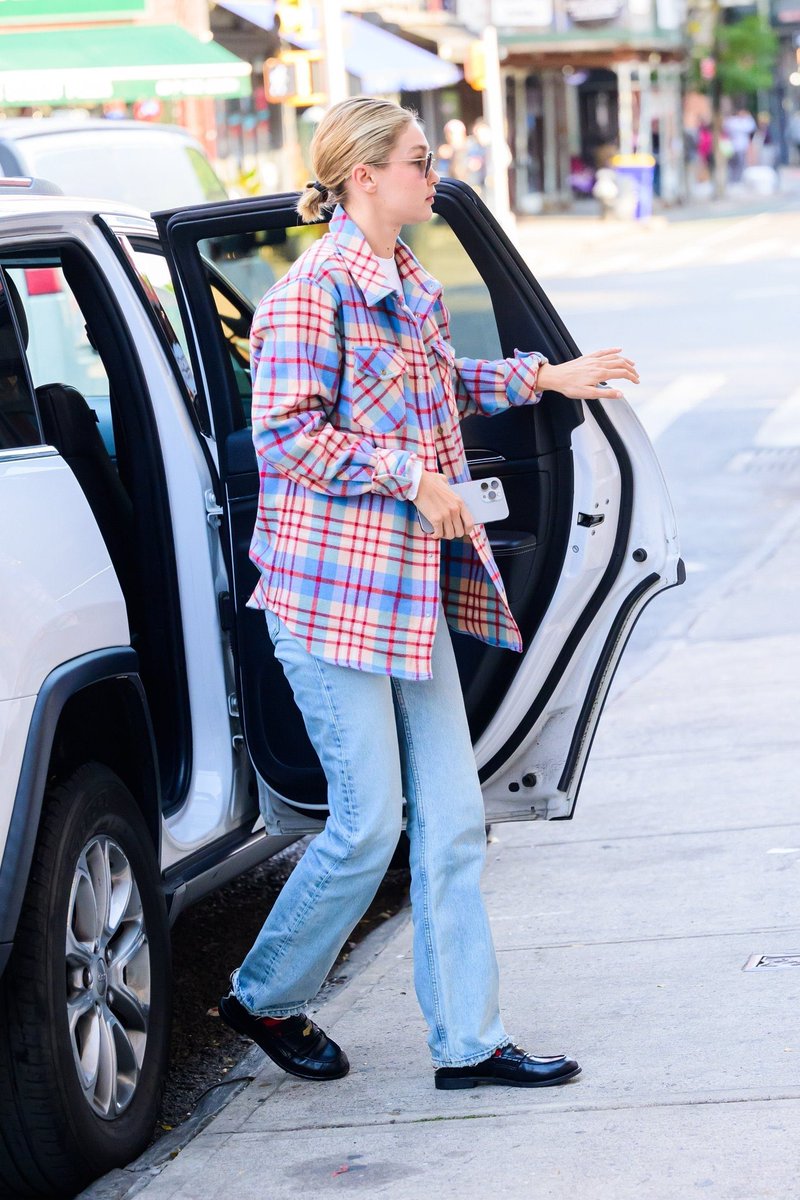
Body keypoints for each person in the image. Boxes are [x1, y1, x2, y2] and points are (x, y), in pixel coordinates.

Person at [218, 96, 638, 1090]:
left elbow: (441, 385)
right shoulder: (306, 296)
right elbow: (283, 435)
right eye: (416, 157)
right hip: (328, 601)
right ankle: (263, 994)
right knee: (366, 830)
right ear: (363, 176)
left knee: (449, 823)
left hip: (408, 598)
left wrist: (549, 376)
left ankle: (468, 1043)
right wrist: (412, 478)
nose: (432, 169)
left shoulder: (410, 283)